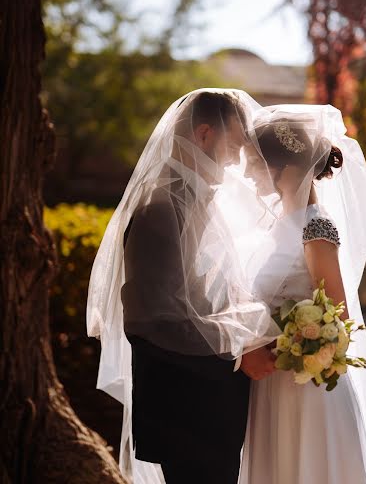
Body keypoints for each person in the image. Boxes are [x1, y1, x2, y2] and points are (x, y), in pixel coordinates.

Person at [86, 89, 279, 484]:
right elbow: (155, 322)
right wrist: (241, 344)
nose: (235, 160)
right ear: (204, 134)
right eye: (232, 145)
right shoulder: (160, 210)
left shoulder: (193, 202)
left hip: (206, 405)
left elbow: (207, 297)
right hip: (187, 410)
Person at [236, 105, 366, 484]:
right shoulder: (279, 226)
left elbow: (336, 316)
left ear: (285, 168)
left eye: (255, 163)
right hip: (273, 386)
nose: (248, 173)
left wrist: (291, 346)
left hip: (306, 390)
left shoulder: (315, 227)